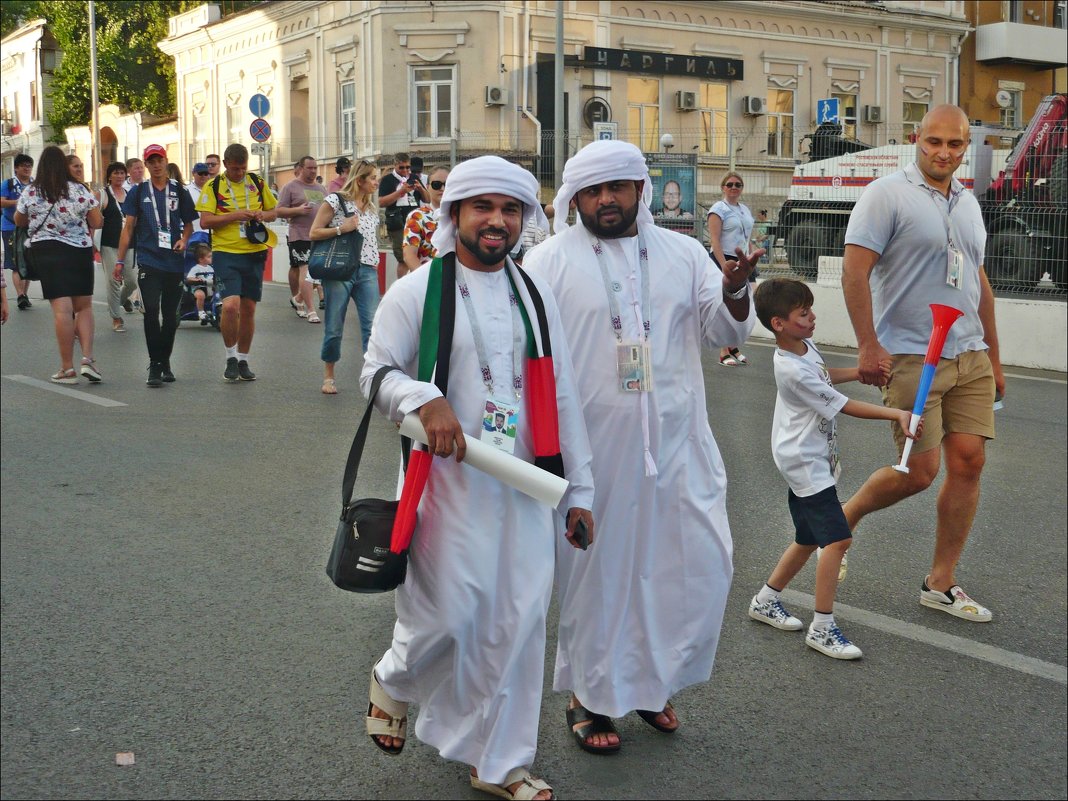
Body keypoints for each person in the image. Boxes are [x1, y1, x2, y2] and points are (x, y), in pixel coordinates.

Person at [360, 154, 594, 801]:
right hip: (446, 491)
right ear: (455, 214)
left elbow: (565, 397)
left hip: (526, 487)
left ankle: (501, 762)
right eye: (483, 207)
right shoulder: (416, 291)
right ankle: (396, 678)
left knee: (520, 625)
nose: (497, 220)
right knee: (449, 614)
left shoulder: (534, 294)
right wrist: (421, 399)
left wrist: (581, 492)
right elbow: (375, 373)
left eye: (510, 209)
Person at [523, 139, 762, 753]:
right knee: (600, 577)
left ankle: (653, 685)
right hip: (593, 454)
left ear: (639, 191)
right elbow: (529, 359)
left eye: (617, 188)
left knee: (690, 568)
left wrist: (737, 290)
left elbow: (723, 329)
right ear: (575, 198)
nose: (606, 200)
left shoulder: (683, 254)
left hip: (680, 444)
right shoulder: (548, 262)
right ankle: (592, 697)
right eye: (593, 191)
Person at [840, 104, 1003, 623]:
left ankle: (941, 582)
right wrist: (869, 346)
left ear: (964, 148)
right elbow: (854, 272)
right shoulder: (886, 195)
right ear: (917, 139)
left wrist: (994, 359)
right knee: (919, 471)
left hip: (968, 352)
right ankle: (839, 523)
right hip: (913, 352)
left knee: (969, 462)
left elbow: (980, 286)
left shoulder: (968, 203)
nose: (944, 153)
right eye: (934, 142)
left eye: (954, 145)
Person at [747, 278, 921, 659]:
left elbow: (823, 376)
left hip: (807, 455)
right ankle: (822, 627)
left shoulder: (804, 348)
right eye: (803, 313)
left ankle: (765, 600)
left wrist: (858, 373)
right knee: (837, 540)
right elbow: (843, 405)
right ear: (779, 323)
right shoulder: (790, 368)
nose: (812, 318)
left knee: (808, 537)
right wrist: (897, 413)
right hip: (803, 461)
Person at [14, 145, 104, 384]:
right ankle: (88, 360)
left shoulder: (31, 191)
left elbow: (18, 220)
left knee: (62, 310)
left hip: (48, 251)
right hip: (80, 251)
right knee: (83, 307)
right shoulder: (79, 190)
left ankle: (67, 368)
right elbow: (97, 221)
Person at [195, 142, 278, 382]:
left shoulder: (257, 183)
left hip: (254, 252)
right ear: (225, 165)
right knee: (231, 306)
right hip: (226, 253)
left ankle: (243, 359)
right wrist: (236, 216)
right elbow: (206, 222)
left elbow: (275, 212)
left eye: (243, 168)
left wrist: (264, 215)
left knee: (249, 309)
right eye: (235, 169)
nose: (239, 173)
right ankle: (230, 356)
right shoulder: (214, 186)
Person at [115, 144, 195, 387]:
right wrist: (120, 260)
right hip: (149, 260)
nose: (156, 164)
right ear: (146, 165)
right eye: (151, 161)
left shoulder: (179, 191)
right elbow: (128, 227)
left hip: (173, 261)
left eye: (160, 160)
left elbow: (189, 223)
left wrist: (184, 239)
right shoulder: (138, 192)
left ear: (166, 161)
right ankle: (154, 364)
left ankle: (165, 361)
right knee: (151, 312)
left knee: (170, 317)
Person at [308, 159, 381, 394]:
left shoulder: (371, 208)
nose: (376, 182)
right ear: (359, 180)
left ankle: (374, 378)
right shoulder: (335, 201)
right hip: (340, 269)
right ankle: (328, 375)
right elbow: (314, 232)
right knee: (334, 325)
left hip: (367, 270)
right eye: (372, 178)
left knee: (372, 326)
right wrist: (342, 228)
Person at [708, 171, 755, 368]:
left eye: (738, 184)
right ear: (723, 187)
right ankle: (723, 351)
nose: (734, 187)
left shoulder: (744, 209)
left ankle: (734, 346)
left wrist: (752, 258)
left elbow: (747, 237)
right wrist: (722, 264)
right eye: (730, 184)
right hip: (725, 258)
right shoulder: (719, 209)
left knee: (747, 301)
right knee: (726, 303)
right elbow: (715, 240)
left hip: (743, 260)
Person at [275, 156, 325, 322]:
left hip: (318, 234)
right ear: (301, 168)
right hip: (299, 234)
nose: (312, 171)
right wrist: (297, 210)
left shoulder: (321, 189)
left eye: (315, 168)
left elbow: (328, 209)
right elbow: (279, 211)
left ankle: (298, 298)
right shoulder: (290, 187)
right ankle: (311, 310)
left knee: (316, 271)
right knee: (305, 269)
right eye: (309, 168)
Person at [98, 161, 140, 332]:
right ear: (109, 176)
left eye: (122, 173)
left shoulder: (131, 193)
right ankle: (116, 317)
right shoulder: (102, 194)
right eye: (116, 173)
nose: (119, 176)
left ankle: (122, 300)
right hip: (109, 244)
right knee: (113, 281)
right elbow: (93, 217)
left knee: (131, 281)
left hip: (130, 243)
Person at [378, 152, 428, 279]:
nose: (405, 170)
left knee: (416, 255)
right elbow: (382, 202)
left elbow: (427, 199)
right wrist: (401, 192)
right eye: (402, 167)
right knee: (404, 258)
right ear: (395, 165)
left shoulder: (414, 178)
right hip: (397, 222)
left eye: (408, 167)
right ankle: (402, 286)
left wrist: (420, 189)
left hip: (414, 222)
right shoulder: (388, 180)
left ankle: (415, 283)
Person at [400, 165, 448, 273]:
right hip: (426, 280)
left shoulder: (461, 215)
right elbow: (409, 255)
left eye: (447, 184)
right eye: (437, 185)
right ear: (427, 187)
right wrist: (425, 281)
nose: (442, 189)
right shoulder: (417, 216)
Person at [2, 153, 34, 310]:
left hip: (30, 228)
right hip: (10, 226)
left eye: (29, 166)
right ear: (16, 168)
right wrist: (18, 202)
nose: (27, 169)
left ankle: (24, 294)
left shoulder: (36, 184)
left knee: (27, 261)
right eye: (24, 166)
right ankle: (20, 294)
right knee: (15, 262)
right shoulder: (8, 184)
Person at [185, 242, 214, 322]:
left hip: (211, 287)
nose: (211, 258)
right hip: (199, 287)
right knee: (200, 295)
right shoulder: (196, 268)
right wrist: (196, 280)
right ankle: (201, 312)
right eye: (209, 257)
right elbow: (189, 278)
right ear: (201, 259)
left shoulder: (211, 268)